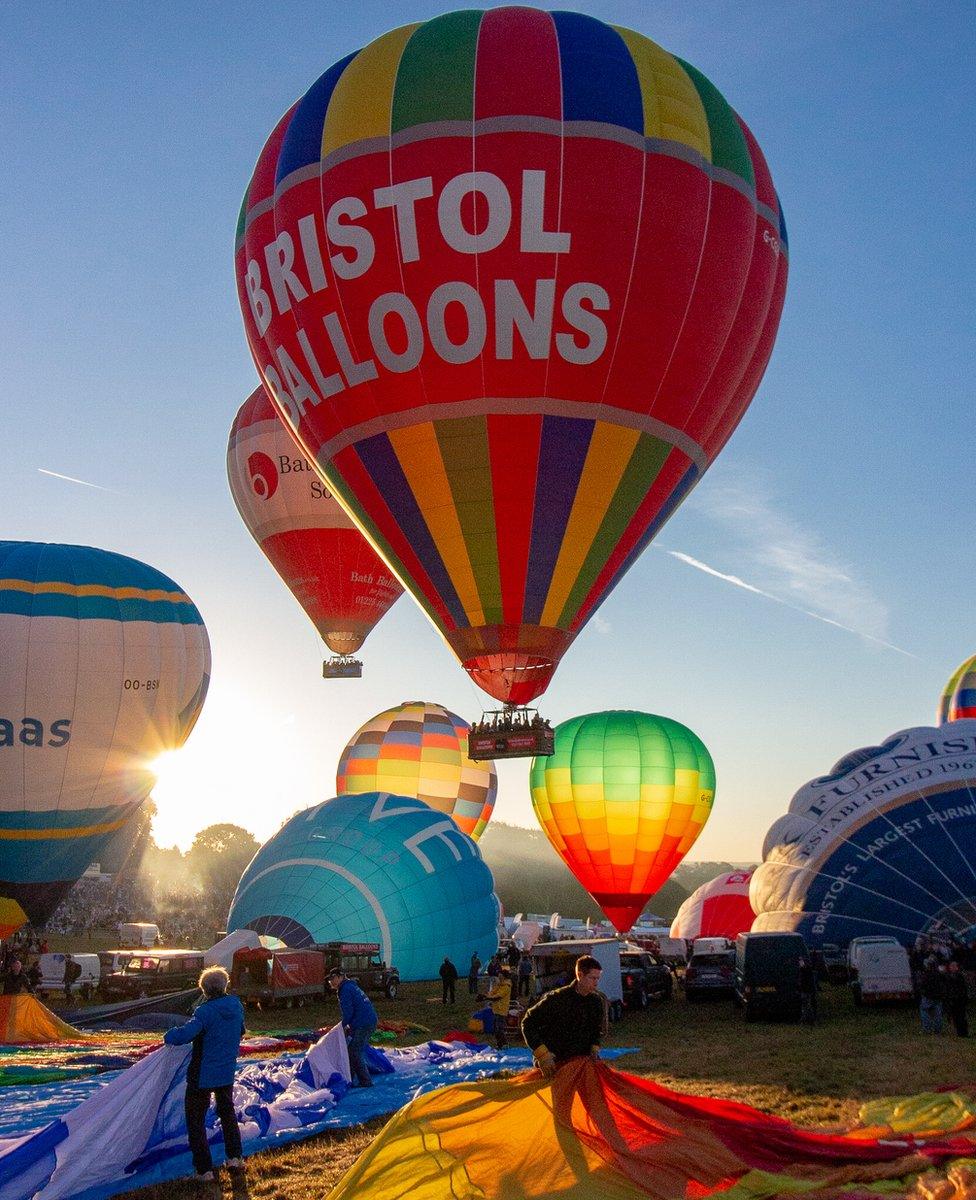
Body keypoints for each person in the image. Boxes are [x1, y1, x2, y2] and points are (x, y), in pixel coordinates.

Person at [163, 965, 246, 1182]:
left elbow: (183, 1036)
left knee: (195, 1120)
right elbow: (241, 1031)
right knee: (227, 1113)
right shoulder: (236, 1006)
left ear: (205, 990)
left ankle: (204, 1170)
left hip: (202, 1074)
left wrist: (169, 1034)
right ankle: (235, 1158)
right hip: (226, 1071)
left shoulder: (205, 1011)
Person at [521, 955, 604, 1078]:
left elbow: (596, 1029)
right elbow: (528, 1022)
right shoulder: (557, 999)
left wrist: (594, 1048)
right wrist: (543, 1055)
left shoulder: (596, 1002)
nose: (596, 983)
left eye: (598, 978)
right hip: (556, 1063)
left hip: (582, 1064)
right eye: (592, 978)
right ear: (580, 975)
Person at [328, 968, 377, 1088]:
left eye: (333, 979)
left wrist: (341, 1026)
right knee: (351, 1050)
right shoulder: (350, 986)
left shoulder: (345, 989)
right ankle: (349, 1078)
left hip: (364, 1023)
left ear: (340, 977)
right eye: (330, 980)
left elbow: (348, 1013)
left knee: (355, 1051)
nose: (331, 982)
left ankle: (365, 1081)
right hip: (365, 1021)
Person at [919, 956, 945, 1034]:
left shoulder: (927, 974)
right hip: (938, 996)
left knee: (924, 1011)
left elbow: (923, 985)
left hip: (928, 996)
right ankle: (938, 1030)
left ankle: (927, 1029)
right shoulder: (939, 974)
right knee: (938, 1014)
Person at [945, 960, 969, 1037]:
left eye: (953, 966)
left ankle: (962, 1033)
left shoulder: (959, 976)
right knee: (956, 1017)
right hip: (954, 1000)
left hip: (959, 1000)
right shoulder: (952, 976)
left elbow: (961, 990)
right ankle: (959, 1032)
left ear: (956, 967)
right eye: (951, 966)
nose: (951, 968)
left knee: (960, 1017)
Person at [798, 956, 818, 1025]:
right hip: (808, 990)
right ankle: (809, 1020)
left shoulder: (805, 971)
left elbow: (802, 981)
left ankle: (806, 1020)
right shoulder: (808, 971)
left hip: (806, 990)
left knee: (806, 1006)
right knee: (807, 1006)